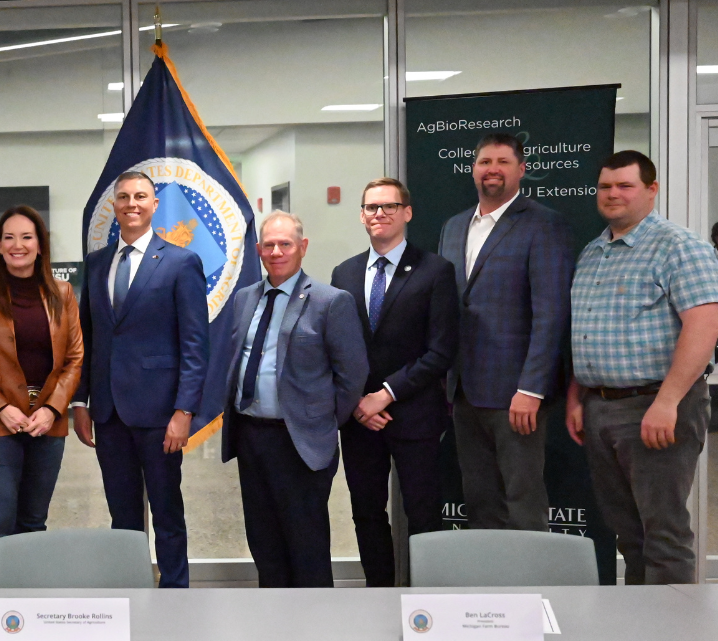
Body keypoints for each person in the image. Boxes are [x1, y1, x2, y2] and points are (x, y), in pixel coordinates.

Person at [566, 151, 718, 641]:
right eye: (605, 186)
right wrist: (576, 395)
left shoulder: (679, 247)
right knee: (629, 534)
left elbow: (703, 326)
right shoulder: (593, 252)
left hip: (656, 408)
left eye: (625, 186)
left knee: (663, 534)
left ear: (651, 190)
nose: (613, 195)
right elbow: (583, 330)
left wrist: (669, 401)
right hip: (602, 407)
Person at [71, 171, 208, 589]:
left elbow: (194, 344)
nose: (132, 203)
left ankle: (174, 594)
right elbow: (89, 338)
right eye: (124, 197)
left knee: (167, 512)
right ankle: (127, 591)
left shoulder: (181, 262)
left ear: (154, 205)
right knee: (123, 516)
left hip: (160, 413)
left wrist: (184, 411)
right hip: (109, 413)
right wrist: (80, 402)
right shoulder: (96, 265)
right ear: (114, 206)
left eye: (141, 196)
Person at [221, 212, 366, 588]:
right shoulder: (243, 299)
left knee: (306, 544)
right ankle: (274, 626)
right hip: (252, 435)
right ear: (258, 250)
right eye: (268, 245)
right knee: (264, 540)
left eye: (285, 244)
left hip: (301, 440)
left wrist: (320, 419)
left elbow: (352, 374)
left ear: (302, 248)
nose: (276, 251)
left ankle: (315, 630)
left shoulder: (330, 301)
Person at [438, 132, 573, 530]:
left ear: (522, 170)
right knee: (479, 498)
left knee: (522, 498)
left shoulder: (544, 225)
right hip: (463, 392)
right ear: (473, 169)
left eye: (502, 162)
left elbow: (551, 314)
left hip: (516, 394)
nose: (491, 169)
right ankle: (492, 588)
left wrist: (531, 389)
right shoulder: (454, 226)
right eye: (484, 162)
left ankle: (532, 588)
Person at [330, 179, 458, 587]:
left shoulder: (435, 270)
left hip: (414, 414)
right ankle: (379, 593)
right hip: (359, 420)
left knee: (423, 513)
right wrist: (355, 403)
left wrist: (383, 395)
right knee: (366, 512)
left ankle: (428, 603)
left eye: (388, 206)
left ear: (407, 212)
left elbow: (441, 351)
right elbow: (338, 349)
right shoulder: (344, 272)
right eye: (370, 207)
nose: (378, 213)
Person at [0, 206, 83, 586]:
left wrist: (51, 409)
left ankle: (28, 612)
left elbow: (75, 358)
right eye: (9, 237)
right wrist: (1, 409)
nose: (18, 245)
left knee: (32, 521)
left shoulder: (62, 293)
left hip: (49, 425)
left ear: (40, 245)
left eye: (26, 237)